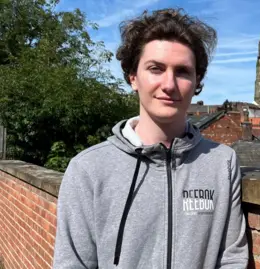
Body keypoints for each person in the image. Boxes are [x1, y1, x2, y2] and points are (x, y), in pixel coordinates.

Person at [53, 8, 248, 269]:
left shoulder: (222, 163)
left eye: (182, 72)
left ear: (197, 80)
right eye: (155, 69)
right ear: (133, 77)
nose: (169, 84)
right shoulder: (88, 169)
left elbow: (232, 258)